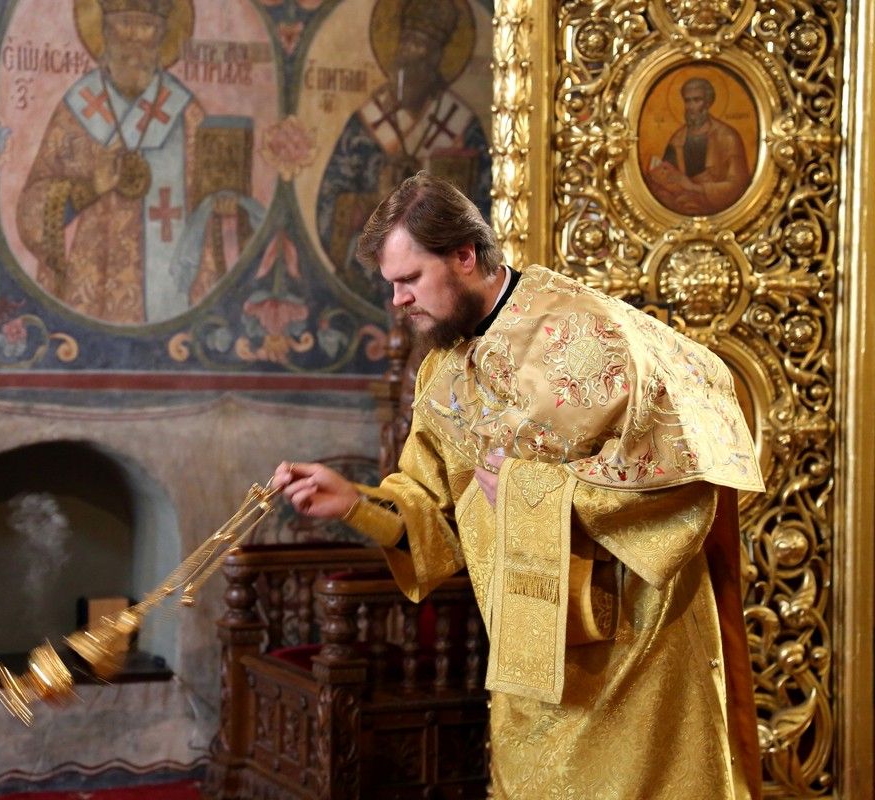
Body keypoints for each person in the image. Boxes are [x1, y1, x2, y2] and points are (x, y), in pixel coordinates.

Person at [274, 172, 765, 798]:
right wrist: (355, 502)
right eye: (391, 284)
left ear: (464, 255)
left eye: (410, 278)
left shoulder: (594, 333)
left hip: (637, 661)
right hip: (529, 661)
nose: (397, 300)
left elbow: (683, 477)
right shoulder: (443, 372)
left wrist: (527, 494)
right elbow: (431, 509)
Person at [17, 0, 206, 324]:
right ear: (104, 31)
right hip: (95, 289)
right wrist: (89, 188)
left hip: (170, 291)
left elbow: (209, 210)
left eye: (146, 25)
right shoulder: (79, 108)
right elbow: (30, 210)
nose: (135, 38)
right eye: (125, 24)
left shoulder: (186, 114)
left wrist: (222, 205)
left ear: (162, 35)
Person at [315, 0, 490, 306]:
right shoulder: (366, 122)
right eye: (404, 57)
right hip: (369, 279)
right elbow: (330, 201)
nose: (407, 72)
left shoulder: (463, 125)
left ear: (436, 61)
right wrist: (375, 199)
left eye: (420, 57)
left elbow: (487, 210)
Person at [646, 76, 751, 216]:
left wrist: (694, 187)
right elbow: (667, 179)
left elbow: (738, 185)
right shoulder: (678, 139)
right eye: (687, 101)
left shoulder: (728, 137)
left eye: (697, 100)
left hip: (722, 214)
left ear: (708, 103)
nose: (691, 107)